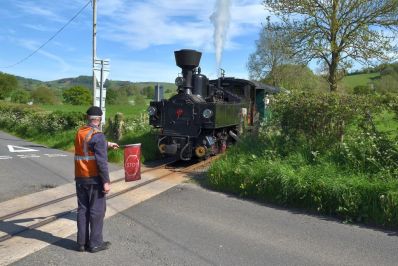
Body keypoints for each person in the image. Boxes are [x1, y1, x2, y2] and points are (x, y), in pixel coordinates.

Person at [74, 106, 119, 253]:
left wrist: (107, 144)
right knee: (97, 211)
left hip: (80, 177)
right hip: (94, 179)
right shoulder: (98, 135)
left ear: (88, 118)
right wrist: (106, 181)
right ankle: (95, 244)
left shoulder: (80, 132)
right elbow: (101, 162)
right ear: (99, 119)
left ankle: (81, 243)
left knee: (83, 210)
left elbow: (86, 146)